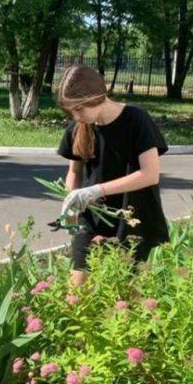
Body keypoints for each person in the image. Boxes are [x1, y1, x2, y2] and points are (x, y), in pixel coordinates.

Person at [55, 64, 170, 286]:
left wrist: (97, 190)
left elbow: (150, 174)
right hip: (91, 218)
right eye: (71, 111)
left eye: (79, 109)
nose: (75, 116)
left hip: (133, 217)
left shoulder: (137, 120)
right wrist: (71, 205)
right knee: (77, 290)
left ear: (96, 96)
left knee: (128, 295)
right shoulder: (78, 127)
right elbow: (74, 172)